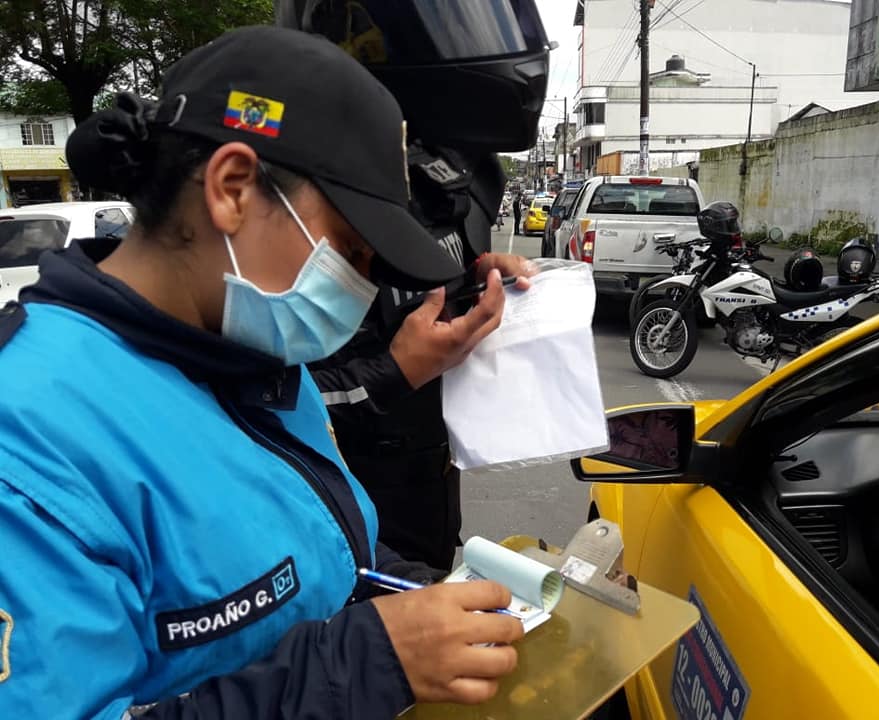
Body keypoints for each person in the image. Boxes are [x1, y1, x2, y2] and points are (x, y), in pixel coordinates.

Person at [0, 26, 524, 719]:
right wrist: (365, 662)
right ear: (233, 188)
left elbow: (328, 555)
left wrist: (420, 597)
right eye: (351, 250)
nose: (361, 287)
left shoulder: (257, 360)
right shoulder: (27, 443)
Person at [278, 0, 550, 569]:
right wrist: (394, 371)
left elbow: (419, 296)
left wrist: (476, 280)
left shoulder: (456, 172)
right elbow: (245, 408)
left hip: (429, 484)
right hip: (326, 512)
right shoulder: (291, 194)